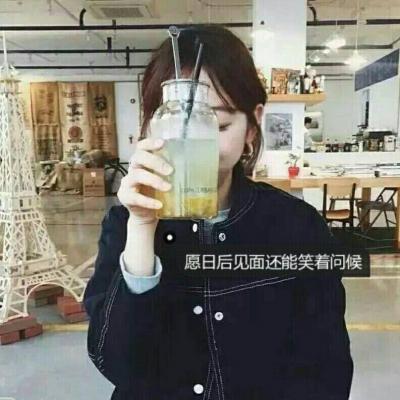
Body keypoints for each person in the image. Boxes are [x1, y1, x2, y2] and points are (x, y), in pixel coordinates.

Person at [83, 25, 353, 400]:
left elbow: (326, 369)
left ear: (252, 126)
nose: (193, 142)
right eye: (174, 124)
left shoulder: (297, 227)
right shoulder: (123, 227)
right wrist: (142, 228)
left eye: (218, 124)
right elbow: (116, 364)